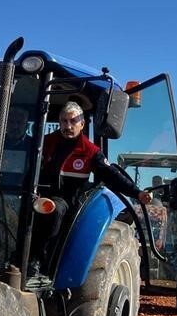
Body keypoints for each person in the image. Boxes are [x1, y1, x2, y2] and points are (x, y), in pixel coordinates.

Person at [29, 101, 152, 276]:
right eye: (64, 121)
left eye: (72, 121)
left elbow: (112, 176)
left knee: (53, 210)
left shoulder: (90, 151)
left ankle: (39, 261)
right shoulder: (46, 143)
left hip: (67, 201)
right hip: (37, 194)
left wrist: (137, 192)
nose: (68, 126)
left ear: (82, 124)